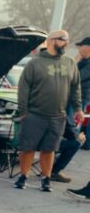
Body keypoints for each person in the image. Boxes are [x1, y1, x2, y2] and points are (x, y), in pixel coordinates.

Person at [13, 29, 81, 192]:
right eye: (62, 39)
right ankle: (23, 176)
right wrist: (23, 111)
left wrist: (78, 108)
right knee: (28, 147)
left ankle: (46, 178)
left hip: (58, 116)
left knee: (49, 149)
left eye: (67, 39)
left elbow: (75, 87)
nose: (66, 43)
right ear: (50, 41)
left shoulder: (70, 63)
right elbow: (24, 88)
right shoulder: (34, 63)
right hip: (34, 114)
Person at [77, 37, 90, 150]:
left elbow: (79, 77)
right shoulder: (84, 61)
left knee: (79, 119)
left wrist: (77, 62)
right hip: (83, 95)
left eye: (81, 46)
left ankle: (80, 142)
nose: (79, 48)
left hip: (84, 96)